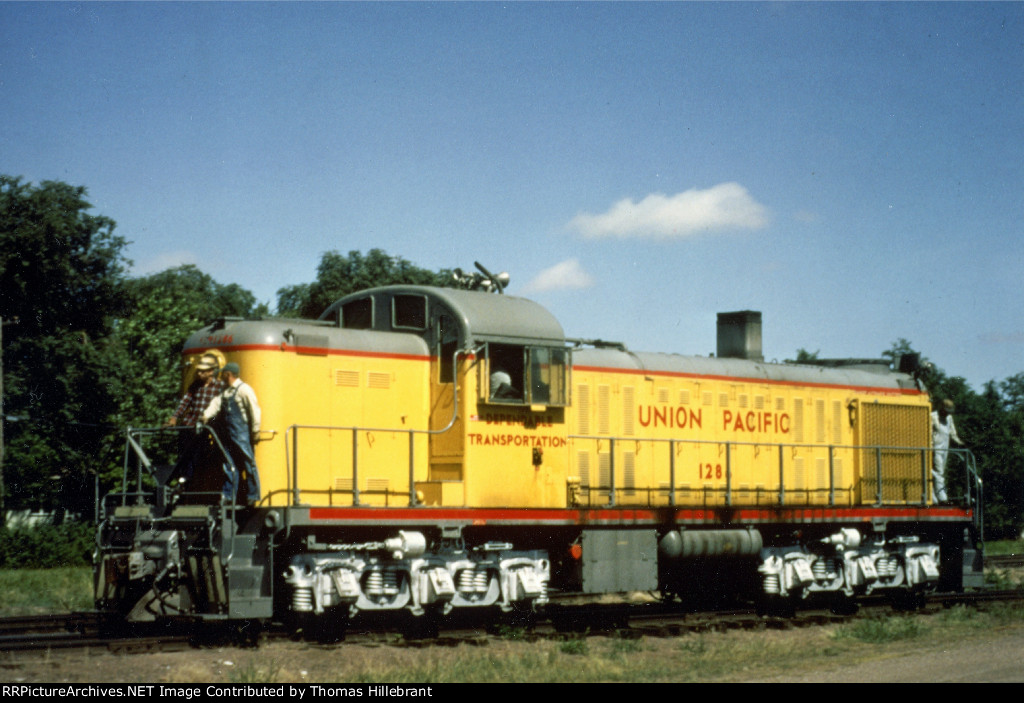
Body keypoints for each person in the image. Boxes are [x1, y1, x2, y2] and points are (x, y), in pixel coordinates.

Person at [202, 362, 261, 505]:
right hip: (228, 435)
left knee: (248, 463)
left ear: (228, 374)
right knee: (229, 465)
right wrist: (206, 415)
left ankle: (253, 494)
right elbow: (215, 403)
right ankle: (229, 496)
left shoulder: (244, 389)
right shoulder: (225, 392)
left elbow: (254, 410)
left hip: (241, 433)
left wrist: (255, 430)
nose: (221, 377)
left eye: (223, 374)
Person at [165, 353, 224, 486]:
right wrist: (174, 417)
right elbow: (184, 402)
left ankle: (192, 478)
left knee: (199, 451)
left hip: (207, 426)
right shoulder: (195, 386)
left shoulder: (219, 387)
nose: (199, 374)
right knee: (184, 447)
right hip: (191, 424)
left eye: (202, 371)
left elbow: (220, 408)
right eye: (198, 371)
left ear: (211, 372)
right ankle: (185, 478)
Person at [931, 398, 963, 503]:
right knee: (939, 472)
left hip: (945, 449)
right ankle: (942, 498)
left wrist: (961, 443)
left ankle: (934, 497)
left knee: (940, 473)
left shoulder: (949, 418)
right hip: (935, 449)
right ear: (942, 409)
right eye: (946, 411)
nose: (947, 414)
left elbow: (952, 433)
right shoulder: (933, 417)